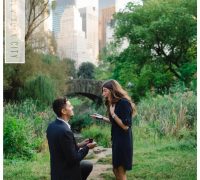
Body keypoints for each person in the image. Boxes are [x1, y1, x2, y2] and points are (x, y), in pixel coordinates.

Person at [91, 79, 136, 180]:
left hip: (123, 141)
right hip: (116, 140)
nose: (103, 94)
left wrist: (113, 114)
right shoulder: (112, 103)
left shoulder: (123, 103)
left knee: (120, 170)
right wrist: (101, 118)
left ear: (113, 90)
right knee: (115, 169)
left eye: (105, 90)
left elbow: (125, 126)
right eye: (103, 91)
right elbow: (115, 122)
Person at [46, 97, 96, 180]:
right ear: (63, 111)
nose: (72, 107)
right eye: (69, 106)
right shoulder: (65, 131)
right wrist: (87, 147)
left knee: (87, 165)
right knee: (85, 165)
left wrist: (80, 145)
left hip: (56, 172)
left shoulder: (51, 126)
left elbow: (63, 148)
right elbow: (74, 159)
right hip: (67, 174)